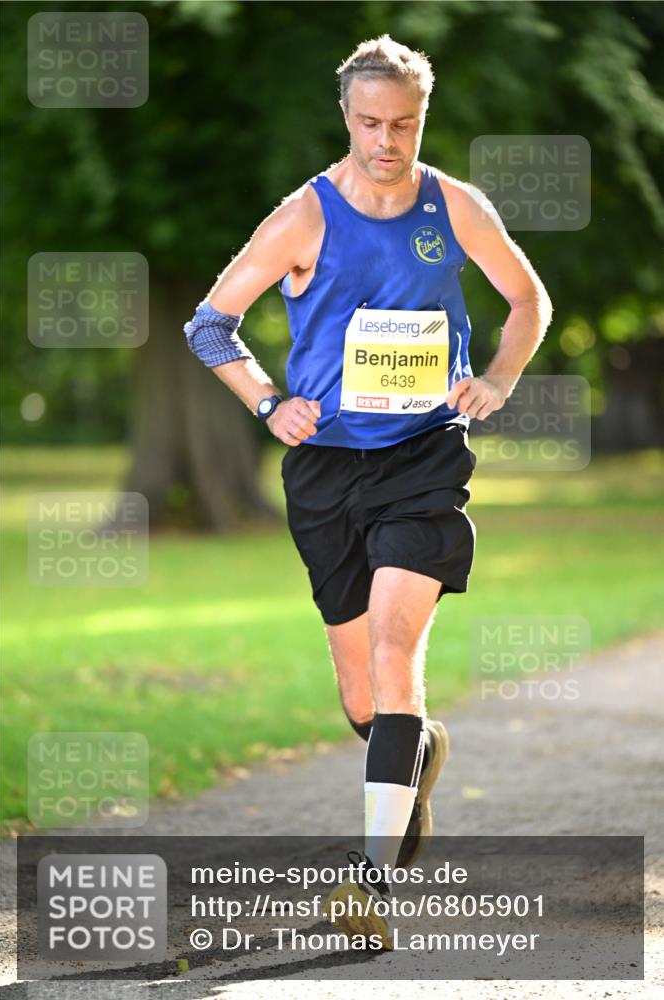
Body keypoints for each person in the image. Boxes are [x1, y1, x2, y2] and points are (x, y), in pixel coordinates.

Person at [183, 34, 552, 949]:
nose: (388, 140)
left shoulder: (454, 206)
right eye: (371, 123)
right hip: (324, 469)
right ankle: (412, 754)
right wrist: (268, 401)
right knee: (364, 699)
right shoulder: (301, 218)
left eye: (405, 124)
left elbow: (527, 301)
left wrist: (498, 381)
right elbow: (211, 323)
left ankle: (369, 884)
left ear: (422, 119)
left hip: (424, 457)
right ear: (345, 117)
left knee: (395, 650)